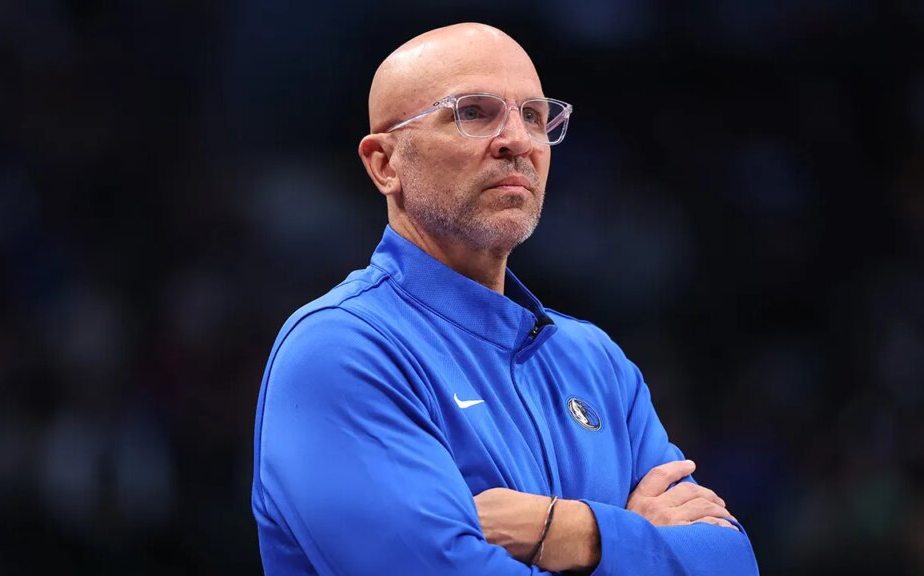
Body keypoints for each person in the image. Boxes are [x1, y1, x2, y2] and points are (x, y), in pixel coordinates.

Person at [251, 22, 759, 575]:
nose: (518, 140)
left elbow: (733, 563)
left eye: (534, 117)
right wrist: (636, 541)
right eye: (474, 113)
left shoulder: (597, 362)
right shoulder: (339, 351)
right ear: (384, 164)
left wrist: (570, 532)